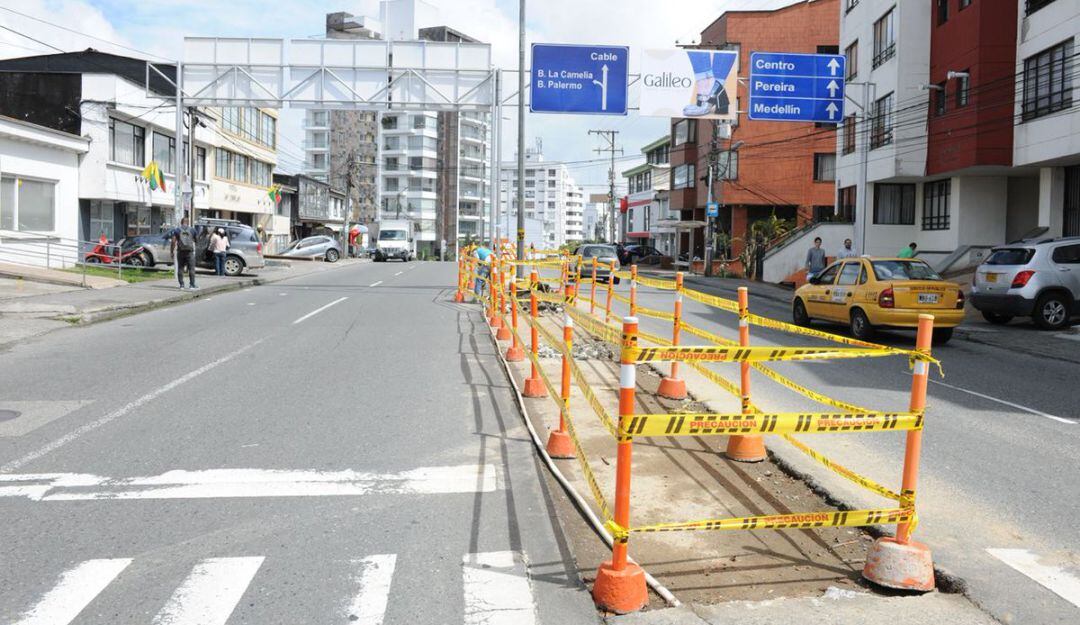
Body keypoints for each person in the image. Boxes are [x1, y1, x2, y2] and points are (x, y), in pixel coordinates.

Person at [170, 217, 198, 290]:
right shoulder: (192, 230)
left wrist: (172, 251)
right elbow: (196, 240)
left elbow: (173, 241)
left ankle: (181, 285)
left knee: (180, 268)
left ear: (181, 222)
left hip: (180, 251)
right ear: (188, 222)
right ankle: (192, 285)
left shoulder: (177, 230)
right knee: (191, 268)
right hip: (190, 252)